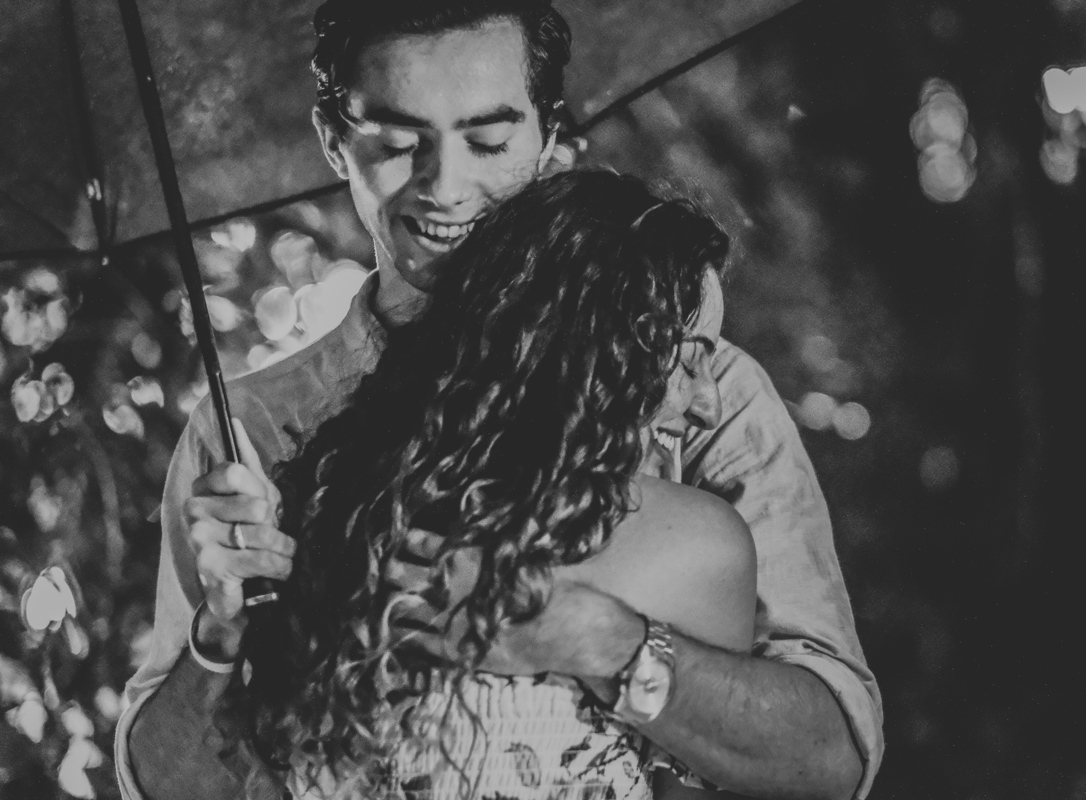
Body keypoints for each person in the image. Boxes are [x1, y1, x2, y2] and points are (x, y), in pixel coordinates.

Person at [116, 2, 882, 799]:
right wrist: (219, 634)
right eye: (397, 143)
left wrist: (603, 641)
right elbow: (167, 784)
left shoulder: (700, 393)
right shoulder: (250, 429)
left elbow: (828, 762)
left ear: (550, 141)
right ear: (334, 140)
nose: (445, 187)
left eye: (487, 142)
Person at [238, 169, 752, 799]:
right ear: (597, 345)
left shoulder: (694, 544)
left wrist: (598, 637)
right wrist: (222, 627)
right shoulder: (340, 510)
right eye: (691, 359)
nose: (707, 405)